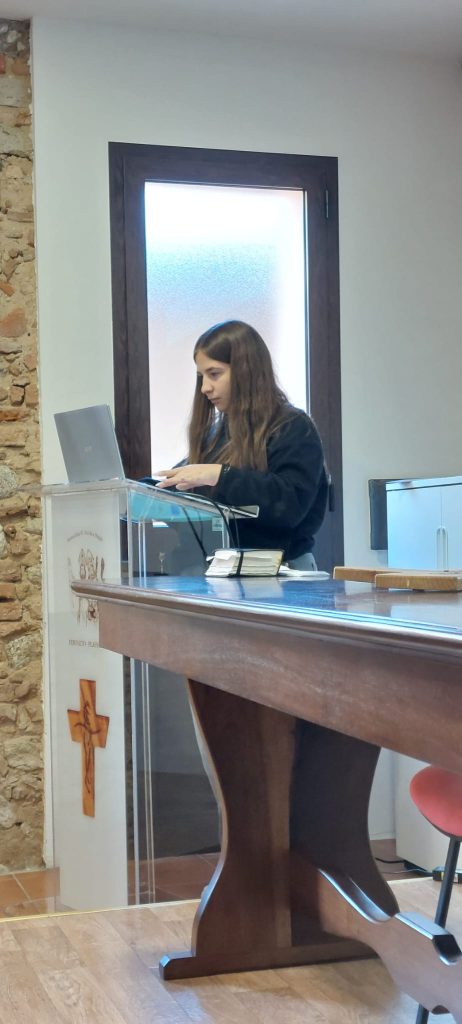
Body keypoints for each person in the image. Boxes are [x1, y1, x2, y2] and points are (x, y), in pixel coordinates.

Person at [156, 320, 328, 569]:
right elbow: (182, 481)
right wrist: (144, 489)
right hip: (223, 572)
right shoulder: (216, 434)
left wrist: (220, 475)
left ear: (246, 371)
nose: (204, 388)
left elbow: (289, 505)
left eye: (214, 374)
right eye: (201, 377)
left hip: (282, 573)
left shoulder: (293, 427)